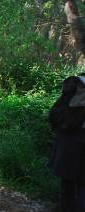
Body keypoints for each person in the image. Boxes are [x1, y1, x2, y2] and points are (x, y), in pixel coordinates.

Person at [49, 72, 85, 212]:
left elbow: (57, 113)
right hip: (75, 137)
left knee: (68, 181)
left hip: (72, 139)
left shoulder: (77, 82)